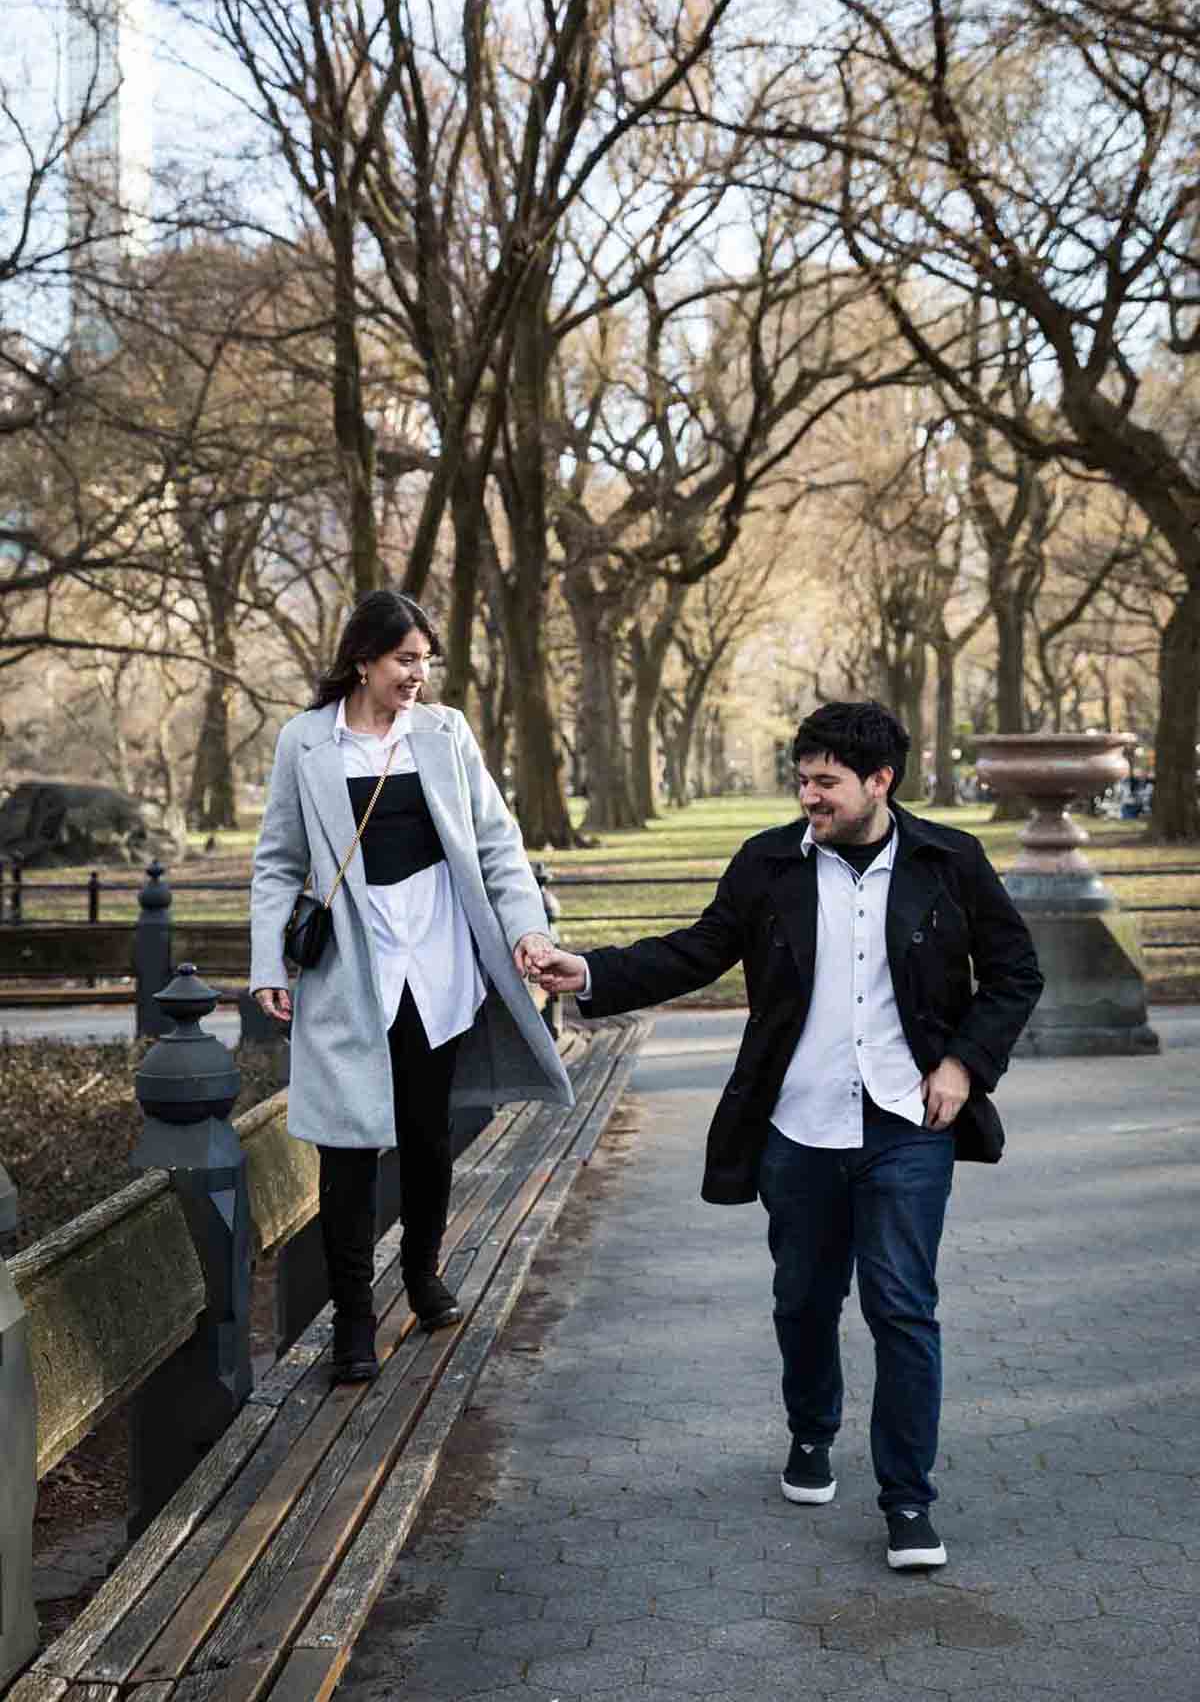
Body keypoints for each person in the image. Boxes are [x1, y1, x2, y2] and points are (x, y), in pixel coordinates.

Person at [532, 700, 1042, 1572]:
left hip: (907, 1126)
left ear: (880, 781)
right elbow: (700, 950)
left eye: (826, 782)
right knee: (804, 1298)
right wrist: (591, 971)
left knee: (902, 1308)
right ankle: (813, 1432)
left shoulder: (949, 861)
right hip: (797, 1126)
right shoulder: (769, 864)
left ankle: (909, 1502)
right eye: (801, 779)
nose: (808, 795)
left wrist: (962, 1066)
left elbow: (1014, 973)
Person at [251, 591, 572, 1384]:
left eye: (425, 661)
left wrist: (527, 927)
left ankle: (422, 1275)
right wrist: (266, 964)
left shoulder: (445, 733)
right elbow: (278, 861)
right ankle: (353, 1321)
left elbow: (497, 843)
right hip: (349, 976)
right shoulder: (306, 744)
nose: (417, 676)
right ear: (362, 660)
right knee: (349, 1149)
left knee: (427, 1136)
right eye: (404, 661)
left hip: (437, 968)